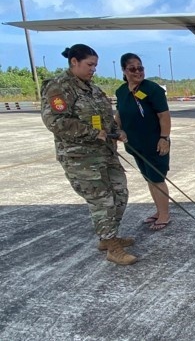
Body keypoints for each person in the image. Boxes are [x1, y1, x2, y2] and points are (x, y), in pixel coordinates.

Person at [40, 44, 137, 265]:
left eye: (95, 65)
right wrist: (93, 133)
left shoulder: (92, 89)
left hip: (105, 153)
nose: (93, 69)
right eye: (89, 64)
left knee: (120, 193)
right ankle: (112, 247)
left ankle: (108, 236)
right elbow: (55, 121)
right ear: (74, 62)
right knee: (102, 200)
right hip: (80, 157)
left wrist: (116, 131)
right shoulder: (58, 87)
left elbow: (105, 117)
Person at [115, 53, 172, 231]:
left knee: (157, 178)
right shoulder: (122, 91)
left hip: (154, 143)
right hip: (135, 145)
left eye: (140, 68)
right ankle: (159, 210)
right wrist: (116, 130)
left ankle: (165, 214)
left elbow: (164, 116)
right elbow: (120, 115)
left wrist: (164, 138)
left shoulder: (152, 89)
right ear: (124, 71)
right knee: (149, 178)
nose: (138, 72)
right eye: (132, 69)